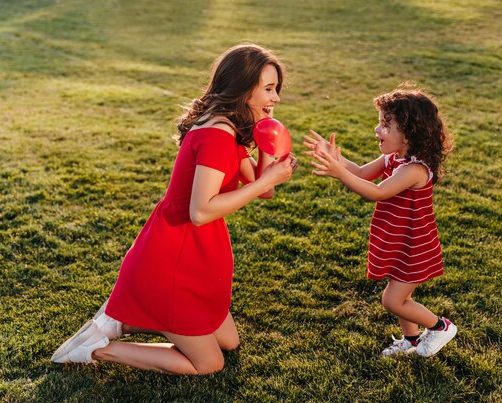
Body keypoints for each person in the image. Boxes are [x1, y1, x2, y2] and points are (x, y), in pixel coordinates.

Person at [51, 44, 298, 374]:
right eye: (269, 89)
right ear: (243, 87)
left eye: (276, 89)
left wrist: (270, 145)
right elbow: (201, 210)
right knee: (210, 362)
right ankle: (100, 349)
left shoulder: (230, 127)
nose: (276, 98)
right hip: (175, 256)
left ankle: (119, 320)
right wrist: (264, 180)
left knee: (229, 340)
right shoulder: (217, 136)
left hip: (196, 251)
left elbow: (263, 189)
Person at [303, 84, 456, 357]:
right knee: (401, 296)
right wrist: (335, 158)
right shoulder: (393, 158)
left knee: (392, 300)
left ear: (409, 133)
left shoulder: (415, 169)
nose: (377, 130)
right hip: (398, 240)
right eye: (379, 123)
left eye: (386, 124)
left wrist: (339, 173)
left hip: (414, 246)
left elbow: (376, 192)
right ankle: (411, 341)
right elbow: (362, 173)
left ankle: (440, 326)